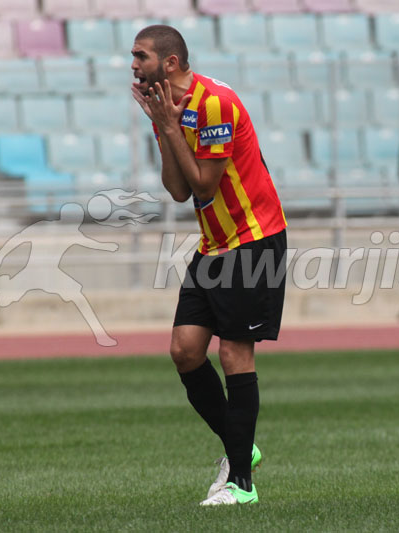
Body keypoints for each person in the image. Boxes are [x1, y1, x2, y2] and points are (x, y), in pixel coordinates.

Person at [130, 25, 287, 506]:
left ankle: (242, 484)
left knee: (235, 354)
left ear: (170, 63)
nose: (133, 65)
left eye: (141, 56)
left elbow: (202, 187)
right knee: (185, 351)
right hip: (214, 243)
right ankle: (243, 449)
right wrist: (163, 127)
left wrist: (172, 127)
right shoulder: (169, 109)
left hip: (252, 241)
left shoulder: (213, 103)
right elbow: (177, 191)